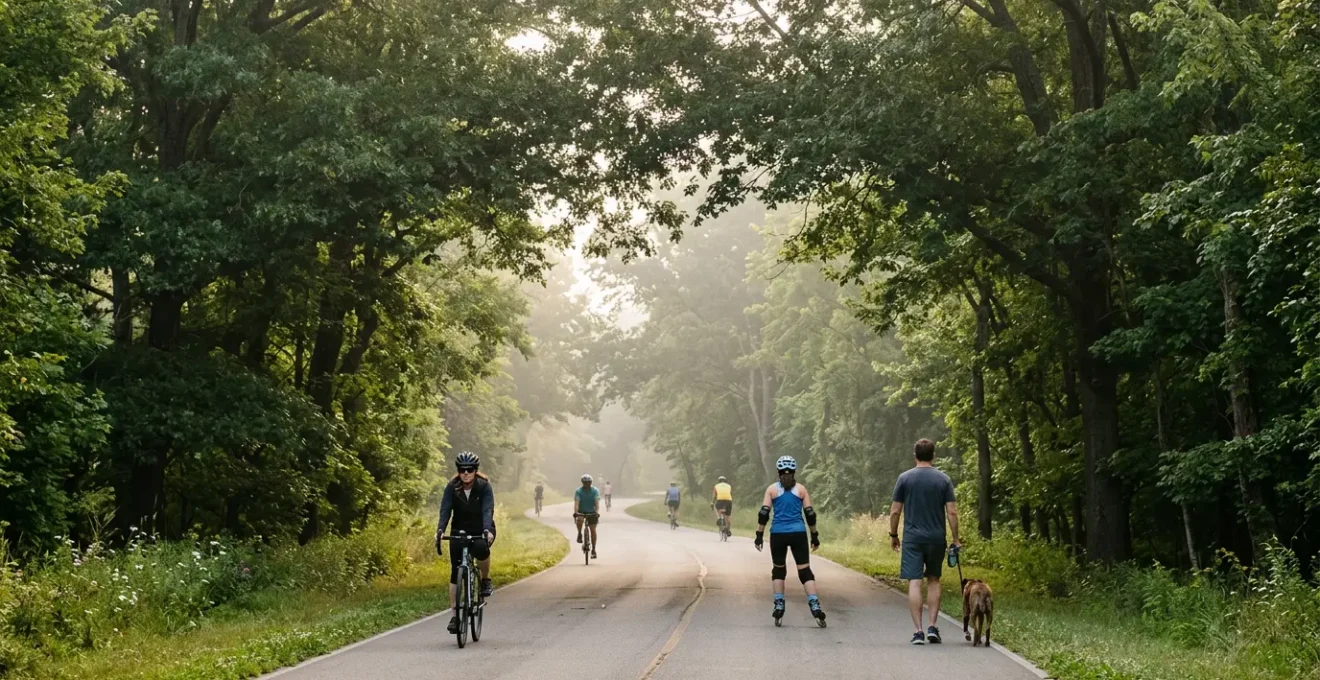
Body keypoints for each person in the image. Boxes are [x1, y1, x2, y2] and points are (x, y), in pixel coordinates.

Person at [889, 438, 960, 645]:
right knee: (934, 579)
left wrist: (893, 535)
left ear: (915, 456)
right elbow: (952, 512)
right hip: (936, 538)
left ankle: (918, 631)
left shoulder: (905, 478)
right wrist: (955, 539)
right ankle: (932, 627)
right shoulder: (943, 480)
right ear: (933, 456)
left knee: (915, 581)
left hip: (912, 539)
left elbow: (895, 511)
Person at [755, 456, 825, 624]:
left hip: (778, 534)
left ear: (778, 472)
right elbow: (810, 514)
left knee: (779, 570)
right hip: (798, 533)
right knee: (805, 571)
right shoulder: (801, 490)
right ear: (794, 472)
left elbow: (764, 513)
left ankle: (779, 604)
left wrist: (759, 535)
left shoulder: (771, 490)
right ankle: (814, 604)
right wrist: (814, 535)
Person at [436, 451, 496, 634]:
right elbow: (445, 510)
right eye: (462, 470)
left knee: (481, 549)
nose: (466, 473)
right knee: (455, 571)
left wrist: (487, 531)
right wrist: (440, 531)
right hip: (459, 529)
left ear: (476, 471)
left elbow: (487, 510)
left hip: (481, 528)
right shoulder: (452, 487)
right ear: (458, 471)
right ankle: (455, 615)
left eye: (470, 470)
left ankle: (485, 580)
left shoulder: (484, 486)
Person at [574, 474, 602, 558]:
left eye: (589, 482)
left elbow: (597, 503)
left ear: (591, 482)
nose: (587, 484)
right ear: (582, 483)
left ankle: (593, 549)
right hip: (582, 511)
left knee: (593, 530)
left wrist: (596, 512)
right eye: (585, 483)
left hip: (592, 512)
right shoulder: (578, 491)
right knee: (580, 520)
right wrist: (576, 512)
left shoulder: (595, 490)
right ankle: (579, 533)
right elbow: (576, 504)